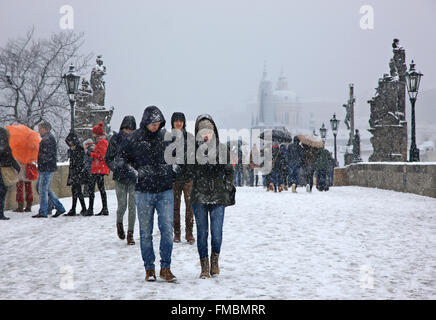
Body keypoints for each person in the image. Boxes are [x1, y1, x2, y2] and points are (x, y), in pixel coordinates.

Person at [117, 106, 176, 282]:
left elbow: (179, 158)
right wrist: (135, 174)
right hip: (143, 191)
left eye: (158, 123)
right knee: (145, 232)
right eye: (152, 123)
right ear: (145, 122)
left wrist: (173, 171)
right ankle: (149, 269)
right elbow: (121, 160)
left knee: (167, 230)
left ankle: (165, 267)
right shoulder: (132, 139)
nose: (155, 126)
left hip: (165, 189)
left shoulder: (167, 137)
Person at [185, 114, 234, 279]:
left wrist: (227, 186)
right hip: (199, 195)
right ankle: (204, 265)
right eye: (202, 131)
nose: (206, 134)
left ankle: (215, 260)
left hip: (218, 194)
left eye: (208, 131)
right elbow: (188, 172)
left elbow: (229, 171)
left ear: (213, 132)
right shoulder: (192, 150)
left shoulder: (221, 148)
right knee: (202, 232)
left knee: (217, 232)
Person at [105, 115, 137, 245]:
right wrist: (116, 167)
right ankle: (119, 223)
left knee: (132, 206)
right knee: (122, 205)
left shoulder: (137, 140)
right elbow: (108, 158)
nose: (128, 131)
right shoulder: (115, 139)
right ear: (122, 128)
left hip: (133, 176)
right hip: (120, 177)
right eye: (126, 129)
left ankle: (130, 233)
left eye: (130, 129)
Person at [170, 112, 195, 244]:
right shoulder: (168, 139)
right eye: (176, 121)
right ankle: (177, 233)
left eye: (181, 121)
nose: (178, 123)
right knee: (175, 207)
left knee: (189, 207)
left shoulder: (190, 138)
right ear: (172, 123)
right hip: (174, 178)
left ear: (184, 122)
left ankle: (189, 232)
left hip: (188, 177)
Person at [33, 122, 66, 218]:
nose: (39, 131)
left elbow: (47, 155)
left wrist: (40, 160)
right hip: (46, 167)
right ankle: (52, 207)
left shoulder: (48, 139)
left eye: (40, 129)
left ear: (45, 129)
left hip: (46, 168)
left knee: (43, 190)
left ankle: (44, 211)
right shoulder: (47, 139)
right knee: (43, 189)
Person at [83, 122, 110, 216]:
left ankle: (92, 209)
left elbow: (102, 156)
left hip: (99, 169)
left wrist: (90, 154)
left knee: (93, 189)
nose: (93, 135)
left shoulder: (102, 142)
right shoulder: (102, 142)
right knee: (100, 189)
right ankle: (104, 208)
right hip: (99, 169)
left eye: (94, 133)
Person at [64, 132, 87, 216]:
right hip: (73, 172)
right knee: (74, 190)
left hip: (78, 172)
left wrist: (77, 171)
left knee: (78, 191)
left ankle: (81, 208)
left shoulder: (79, 149)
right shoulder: (70, 150)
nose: (69, 143)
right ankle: (76, 208)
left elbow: (80, 162)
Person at [0, 128, 20, 220]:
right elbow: (11, 159)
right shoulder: (5, 146)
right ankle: (0, 213)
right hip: (4, 171)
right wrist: (17, 167)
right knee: (2, 193)